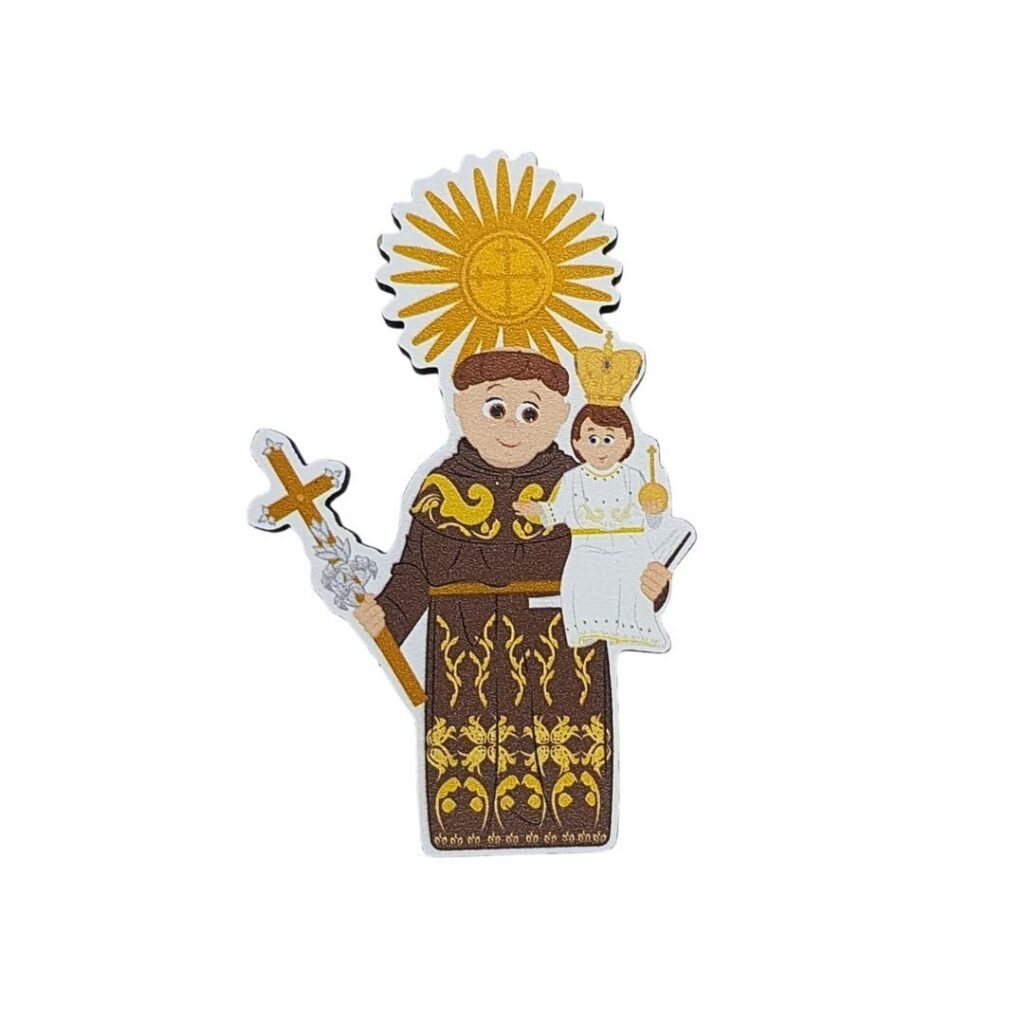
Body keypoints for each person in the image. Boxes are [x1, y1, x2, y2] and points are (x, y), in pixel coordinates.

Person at [353, 348, 671, 852]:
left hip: (563, 651)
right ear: (459, 407)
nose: (510, 427)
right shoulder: (440, 490)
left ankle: (570, 827)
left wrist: (650, 587)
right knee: (468, 772)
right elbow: (413, 571)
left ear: (560, 414)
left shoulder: (580, 487)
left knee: (565, 769)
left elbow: (620, 555)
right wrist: (385, 615)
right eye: (494, 408)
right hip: (464, 652)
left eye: (529, 411)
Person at [513, 403, 670, 652]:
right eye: (592, 439)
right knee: (585, 586)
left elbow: (652, 521)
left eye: (608, 439)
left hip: (630, 551)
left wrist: (654, 510)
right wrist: (537, 511)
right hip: (587, 552)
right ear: (577, 443)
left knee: (631, 591)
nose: (600, 448)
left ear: (627, 442)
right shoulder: (572, 479)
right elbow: (555, 512)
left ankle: (632, 631)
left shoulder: (634, 478)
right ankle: (587, 631)